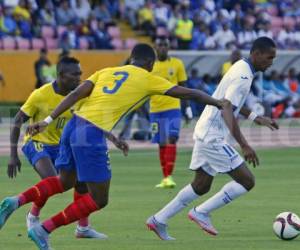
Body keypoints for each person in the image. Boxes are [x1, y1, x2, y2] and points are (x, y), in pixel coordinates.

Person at [0, 43, 226, 250]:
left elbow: (77, 93)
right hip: (91, 134)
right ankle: (43, 228)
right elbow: (188, 92)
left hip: (72, 127)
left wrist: (47, 120)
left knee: (64, 181)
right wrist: (217, 102)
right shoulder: (148, 78)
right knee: (99, 198)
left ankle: (16, 200)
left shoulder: (106, 71)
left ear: (131, 58)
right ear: (150, 64)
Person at [146, 37, 279, 240]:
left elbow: (232, 101)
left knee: (201, 185)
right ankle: (202, 212)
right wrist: (245, 145)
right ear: (257, 53)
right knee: (247, 180)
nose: (271, 62)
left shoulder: (241, 67)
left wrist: (256, 117)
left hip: (205, 129)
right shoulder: (243, 77)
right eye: (269, 57)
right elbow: (227, 108)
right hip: (212, 136)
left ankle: (159, 219)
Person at [7, 57, 123, 239]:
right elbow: (17, 120)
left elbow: (90, 120)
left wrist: (113, 138)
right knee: (52, 178)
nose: (79, 78)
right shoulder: (40, 94)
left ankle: (83, 228)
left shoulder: (79, 95)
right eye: (74, 74)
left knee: (82, 182)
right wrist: (13, 155)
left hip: (61, 145)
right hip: (36, 142)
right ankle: (33, 216)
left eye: (80, 74)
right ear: (60, 75)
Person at [150, 36, 193, 189]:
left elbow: (183, 86)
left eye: (165, 45)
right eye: (160, 45)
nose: (162, 48)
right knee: (161, 143)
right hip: (155, 109)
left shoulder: (177, 63)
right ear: (155, 47)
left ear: (168, 47)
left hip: (173, 108)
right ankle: (165, 177)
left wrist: (187, 108)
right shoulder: (150, 65)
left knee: (172, 138)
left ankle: (169, 176)